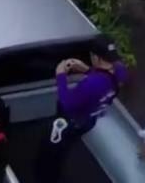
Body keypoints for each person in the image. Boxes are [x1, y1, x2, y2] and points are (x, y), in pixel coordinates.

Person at [34, 36, 128, 182]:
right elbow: (106, 82)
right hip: (89, 120)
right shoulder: (120, 70)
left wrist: (60, 76)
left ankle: (44, 177)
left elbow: (68, 103)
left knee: (51, 149)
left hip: (70, 122)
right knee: (65, 149)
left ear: (95, 57)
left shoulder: (91, 84)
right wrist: (86, 69)